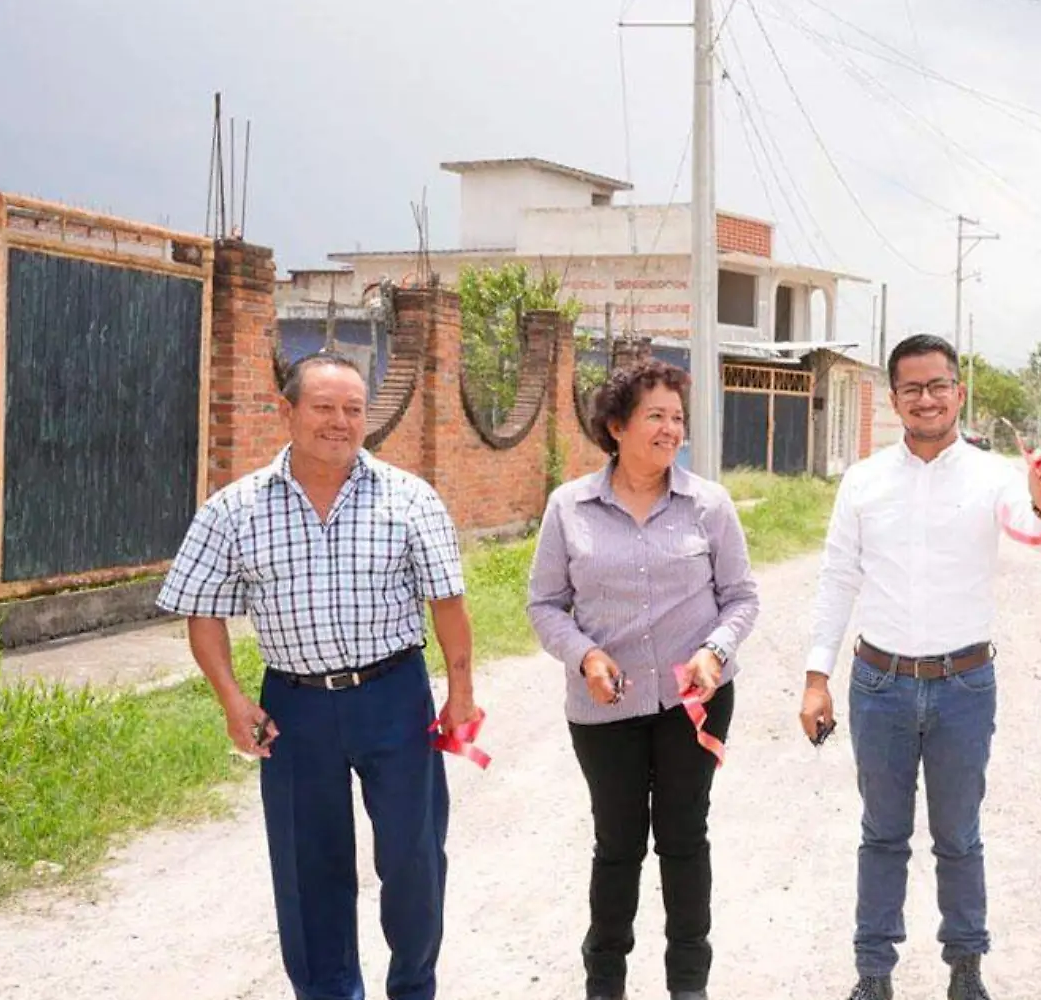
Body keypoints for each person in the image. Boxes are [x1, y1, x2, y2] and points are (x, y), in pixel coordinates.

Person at [158, 351, 477, 1000]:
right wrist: (232, 699)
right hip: (295, 708)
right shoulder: (234, 509)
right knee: (309, 867)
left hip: (394, 696)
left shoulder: (409, 499)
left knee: (414, 859)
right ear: (289, 411)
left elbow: (448, 603)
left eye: (353, 410)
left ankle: (413, 986)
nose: (340, 422)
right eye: (324, 407)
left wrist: (461, 694)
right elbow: (202, 611)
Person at [800, 333, 1041, 1000]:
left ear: (959, 392)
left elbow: (1035, 533)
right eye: (912, 388)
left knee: (959, 837)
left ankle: (967, 968)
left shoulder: (993, 478)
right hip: (879, 685)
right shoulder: (863, 481)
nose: (927, 399)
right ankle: (873, 973)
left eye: (938, 385)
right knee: (881, 836)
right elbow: (837, 578)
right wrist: (815, 675)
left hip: (964, 686)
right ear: (894, 400)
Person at [527, 356, 759, 1000]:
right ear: (616, 426)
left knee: (685, 837)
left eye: (678, 418)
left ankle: (689, 983)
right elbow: (545, 605)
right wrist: (584, 656)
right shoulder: (568, 507)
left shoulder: (708, 505)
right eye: (655, 415)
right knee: (618, 843)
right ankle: (606, 982)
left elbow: (741, 596)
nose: (670, 429)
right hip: (605, 711)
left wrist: (716, 649)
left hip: (696, 703)